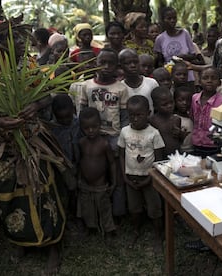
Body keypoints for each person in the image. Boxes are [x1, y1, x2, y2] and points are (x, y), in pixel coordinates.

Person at [0, 19, 69, 274]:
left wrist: (35, 105)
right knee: (7, 191)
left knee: (42, 188)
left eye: (16, 38)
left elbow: (48, 94)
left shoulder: (28, 64)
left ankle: (52, 245)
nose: (15, 44)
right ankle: (21, 239)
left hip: (31, 138)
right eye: (8, 39)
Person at [79, 48, 129, 219]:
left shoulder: (121, 88)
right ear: (95, 64)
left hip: (114, 137)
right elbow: (83, 112)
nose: (106, 66)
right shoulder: (87, 86)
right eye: (103, 62)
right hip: (93, 138)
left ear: (117, 66)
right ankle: (96, 213)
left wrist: (121, 140)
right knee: (97, 175)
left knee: (116, 175)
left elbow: (124, 118)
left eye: (111, 63)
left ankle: (118, 213)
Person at [118, 95, 164, 252]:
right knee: (134, 208)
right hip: (131, 178)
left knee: (154, 209)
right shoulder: (124, 131)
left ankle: (158, 235)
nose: (135, 119)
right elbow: (121, 154)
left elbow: (159, 161)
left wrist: (150, 178)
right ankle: (136, 230)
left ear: (148, 113)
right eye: (131, 115)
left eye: (139, 115)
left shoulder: (154, 134)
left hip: (150, 179)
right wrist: (125, 176)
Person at [78, 107, 117, 236]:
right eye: (86, 128)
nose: (90, 131)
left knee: (104, 207)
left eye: (94, 127)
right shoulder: (82, 143)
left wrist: (113, 181)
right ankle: (91, 226)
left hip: (101, 184)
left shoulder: (104, 144)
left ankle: (109, 228)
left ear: (100, 125)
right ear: (81, 128)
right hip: (85, 184)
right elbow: (80, 161)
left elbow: (111, 163)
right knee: (87, 207)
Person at [190, 67, 222, 157]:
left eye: (213, 78)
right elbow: (193, 117)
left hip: (214, 146)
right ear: (200, 81)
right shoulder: (194, 98)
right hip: (196, 143)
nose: (209, 81)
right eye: (205, 78)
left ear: (219, 83)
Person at [154, 7, 198, 78]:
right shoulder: (160, 39)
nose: (172, 21)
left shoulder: (184, 34)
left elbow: (193, 55)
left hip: (187, 76)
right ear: (162, 20)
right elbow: (159, 62)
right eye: (169, 18)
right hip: (169, 77)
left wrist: (182, 57)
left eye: (174, 18)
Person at [119, 48, 158, 113]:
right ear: (121, 66)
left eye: (135, 62)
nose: (133, 65)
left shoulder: (152, 83)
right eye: (128, 63)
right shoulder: (120, 88)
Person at [150, 86, 182, 157]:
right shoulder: (153, 121)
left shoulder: (176, 119)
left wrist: (180, 134)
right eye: (164, 104)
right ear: (155, 106)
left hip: (175, 157)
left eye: (171, 102)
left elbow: (179, 141)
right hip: (159, 157)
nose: (169, 106)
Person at [174, 86, 194, 152]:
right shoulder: (174, 118)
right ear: (174, 101)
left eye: (188, 100)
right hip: (180, 152)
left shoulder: (193, 117)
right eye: (180, 100)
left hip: (193, 149)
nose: (185, 103)